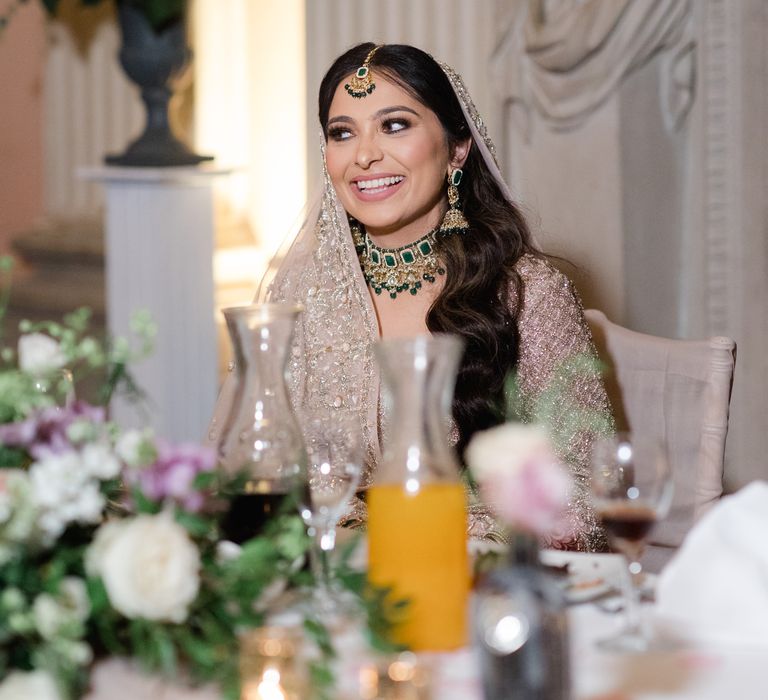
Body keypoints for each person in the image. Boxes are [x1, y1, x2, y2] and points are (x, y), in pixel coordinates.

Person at [234, 43, 613, 550]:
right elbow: (255, 465)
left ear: (458, 147)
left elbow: (584, 500)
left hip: (472, 590)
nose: (364, 154)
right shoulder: (303, 293)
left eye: (394, 125)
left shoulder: (525, 294)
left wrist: (402, 531)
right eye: (342, 132)